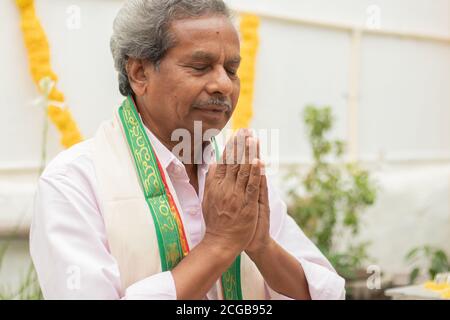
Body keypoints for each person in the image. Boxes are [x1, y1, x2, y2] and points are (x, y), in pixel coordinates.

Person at [30, 0, 345, 300]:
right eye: (200, 66)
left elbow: (326, 291)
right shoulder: (73, 181)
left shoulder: (238, 172)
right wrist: (219, 245)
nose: (223, 85)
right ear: (139, 73)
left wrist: (261, 245)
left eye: (232, 69)